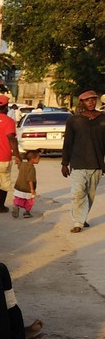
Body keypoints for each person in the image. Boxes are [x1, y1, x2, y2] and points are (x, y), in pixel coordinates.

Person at [60, 89, 103, 232]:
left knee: (90, 195)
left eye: (93, 99)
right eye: (87, 100)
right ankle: (78, 223)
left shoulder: (103, 119)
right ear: (82, 102)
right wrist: (64, 163)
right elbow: (68, 143)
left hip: (96, 164)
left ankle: (82, 218)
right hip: (77, 163)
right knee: (78, 193)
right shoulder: (74, 120)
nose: (91, 102)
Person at [11, 149, 40, 219]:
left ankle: (16, 206)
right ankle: (27, 212)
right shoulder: (32, 168)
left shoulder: (23, 164)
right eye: (38, 158)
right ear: (33, 159)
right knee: (29, 201)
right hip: (27, 188)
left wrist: (17, 160)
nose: (39, 160)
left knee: (18, 198)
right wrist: (32, 189)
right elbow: (30, 179)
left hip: (19, 186)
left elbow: (19, 163)